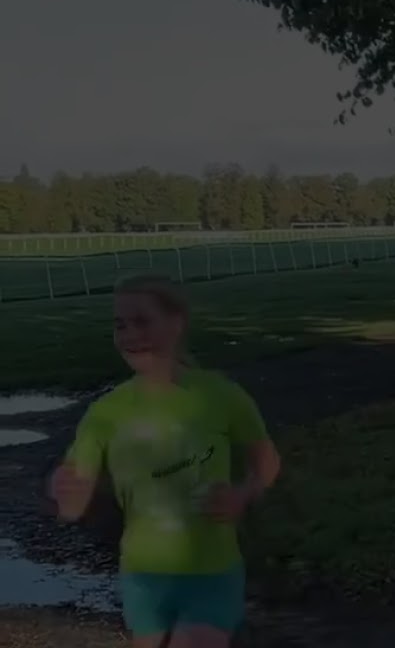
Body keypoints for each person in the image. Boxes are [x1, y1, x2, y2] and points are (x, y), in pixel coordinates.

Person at [49, 274, 281, 648]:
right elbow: (73, 500)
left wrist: (243, 494)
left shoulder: (220, 396)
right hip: (143, 577)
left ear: (176, 323)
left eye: (142, 321)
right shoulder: (105, 413)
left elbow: (266, 461)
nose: (129, 334)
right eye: (120, 324)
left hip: (212, 575)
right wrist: (64, 492)